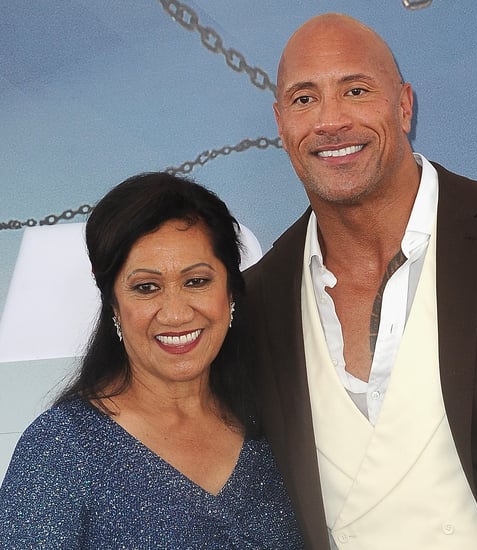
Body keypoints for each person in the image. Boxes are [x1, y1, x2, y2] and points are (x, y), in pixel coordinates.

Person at [242, 12, 477, 550]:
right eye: (304, 99)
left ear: (403, 105)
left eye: (356, 90)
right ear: (280, 122)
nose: (330, 121)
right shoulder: (255, 302)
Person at [0, 172, 304, 549]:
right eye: (147, 288)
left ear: (230, 290)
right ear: (113, 301)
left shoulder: (277, 424)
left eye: (197, 281)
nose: (175, 314)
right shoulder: (60, 450)